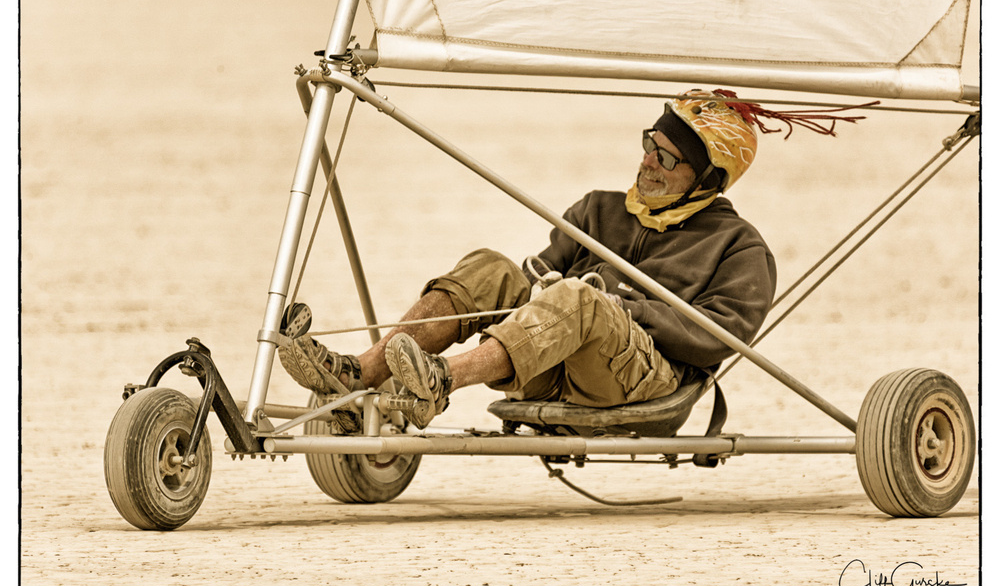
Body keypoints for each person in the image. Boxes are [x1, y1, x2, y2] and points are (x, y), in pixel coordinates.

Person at [278, 89, 777, 429]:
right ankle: (357, 376)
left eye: (667, 157)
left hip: (643, 386)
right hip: (551, 357)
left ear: (708, 178)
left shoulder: (739, 247)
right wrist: (545, 286)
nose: (648, 160)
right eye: (650, 144)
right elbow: (539, 269)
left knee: (582, 297)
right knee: (491, 266)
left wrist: (624, 306)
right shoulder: (600, 208)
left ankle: (442, 380)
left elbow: (718, 337)